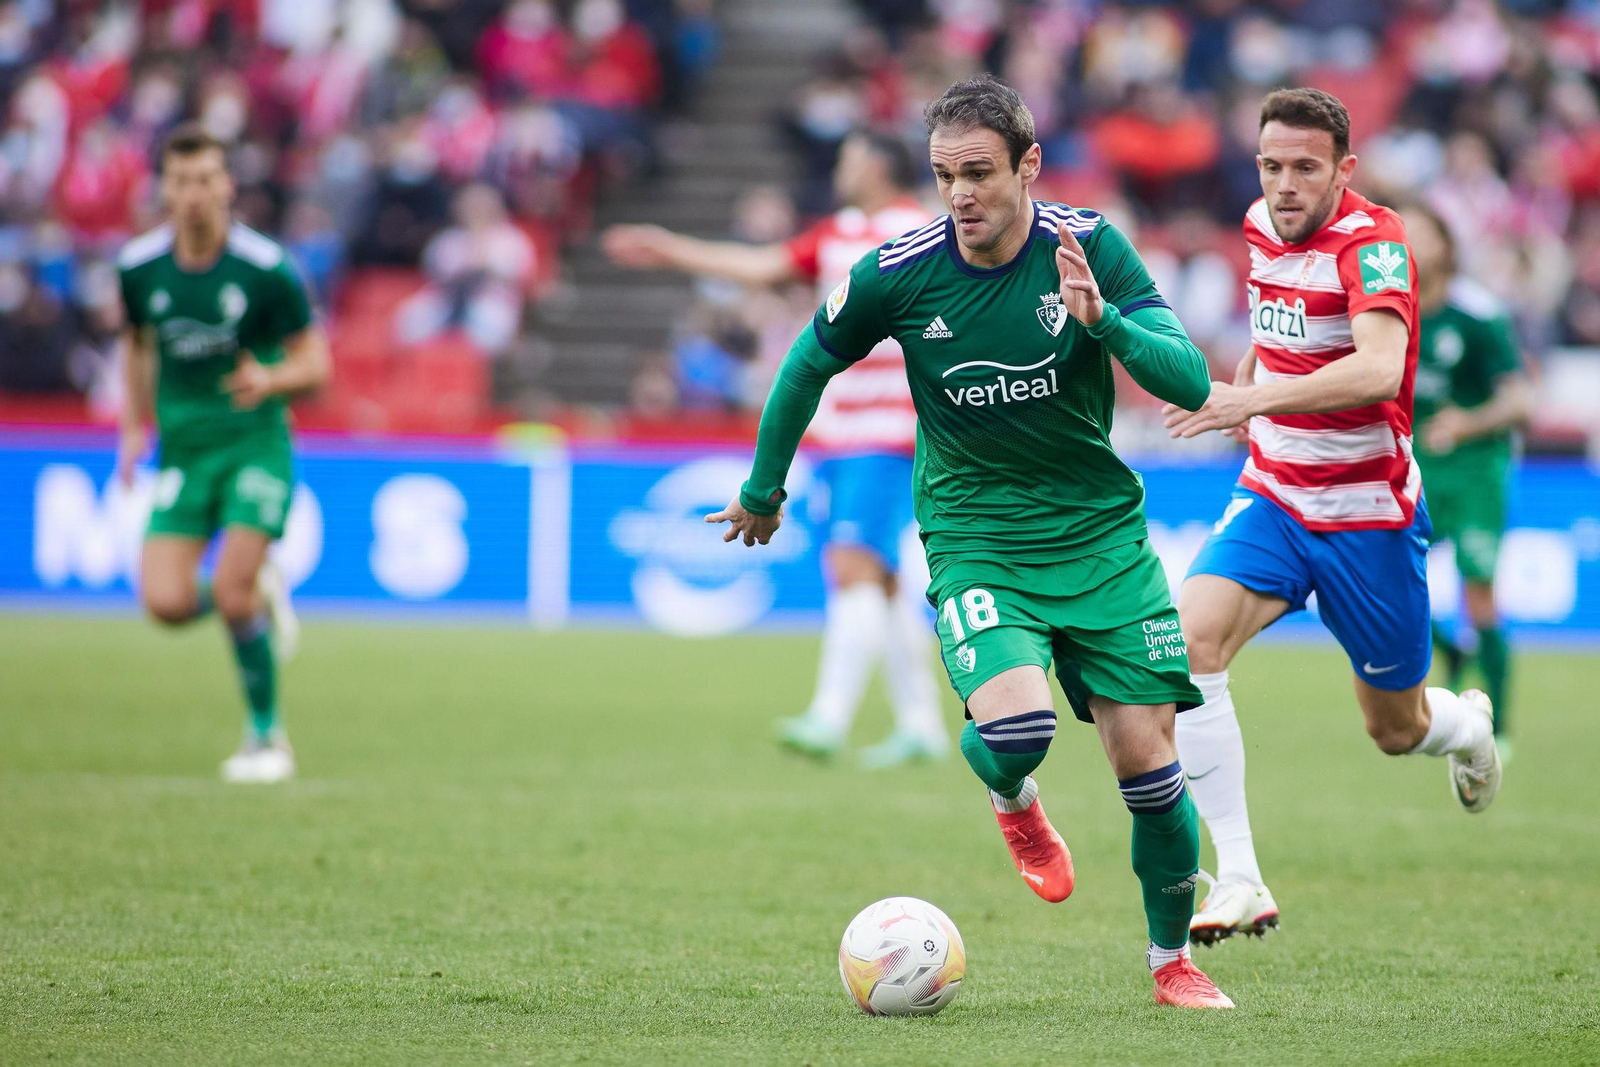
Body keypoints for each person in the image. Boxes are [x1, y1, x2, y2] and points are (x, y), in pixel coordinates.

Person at [708, 75, 1234, 1009]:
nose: (960, 194)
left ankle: (1172, 963)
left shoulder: (1093, 248)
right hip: (977, 533)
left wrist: (1103, 322)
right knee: (1019, 730)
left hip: (1102, 537)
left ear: (1029, 165)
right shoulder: (897, 270)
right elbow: (804, 365)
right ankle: (1013, 798)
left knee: (1150, 771)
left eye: (980, 172)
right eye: (945, 173)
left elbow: (1192, 380)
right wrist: (763, 489)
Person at [1163, 89, 1502, 946]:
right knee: (1186, 645)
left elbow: (1380, 370)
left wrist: (1251, 394)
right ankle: (1238, 873)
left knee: (1395, 729)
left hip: (1368, 516)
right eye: (1271, 165)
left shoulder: (1376, 243)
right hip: (1274, 493)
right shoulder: (1254, 225)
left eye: (1305, 168)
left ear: (1343, 170)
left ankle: (1467, 727)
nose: (1284, 185)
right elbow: (1275, 330)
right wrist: (1252, 386)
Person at [604, 130, 949, 769]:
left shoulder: (921, 234)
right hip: (843, 431)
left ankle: (829, 717)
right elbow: (763, 265)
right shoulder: (838, 230)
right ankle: (921, 724)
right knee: (879, 575)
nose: (839, 169)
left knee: (851, 566)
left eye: (849, 158)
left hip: (889, 430)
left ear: (876, 166)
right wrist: (673, 250)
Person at [116, 124, 330, 783]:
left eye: (206, 179)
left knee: (231, 594)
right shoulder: (138, 267)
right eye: (181, 182)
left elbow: (317, 363)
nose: (193, 194)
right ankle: (258, 591)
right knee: (166, 602)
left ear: (228, 184)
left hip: (254, 443)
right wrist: (131, 427)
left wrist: (272, 379)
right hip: (184, 448)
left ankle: (268, 737)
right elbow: (138, 345)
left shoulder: (266, 270)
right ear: (164, 188)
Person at [1401, 203, 1531, 761]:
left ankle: (1498, 729)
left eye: (1418, 234)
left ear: (1445, 246)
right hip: (1415, 469)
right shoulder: (1390, 311)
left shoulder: (1478, 314)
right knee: (1386, 576)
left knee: (1480, 596)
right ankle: (1451, 652)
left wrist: (1467, 422)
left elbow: (1521, 399)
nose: (1405, 245)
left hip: (1476, 471)